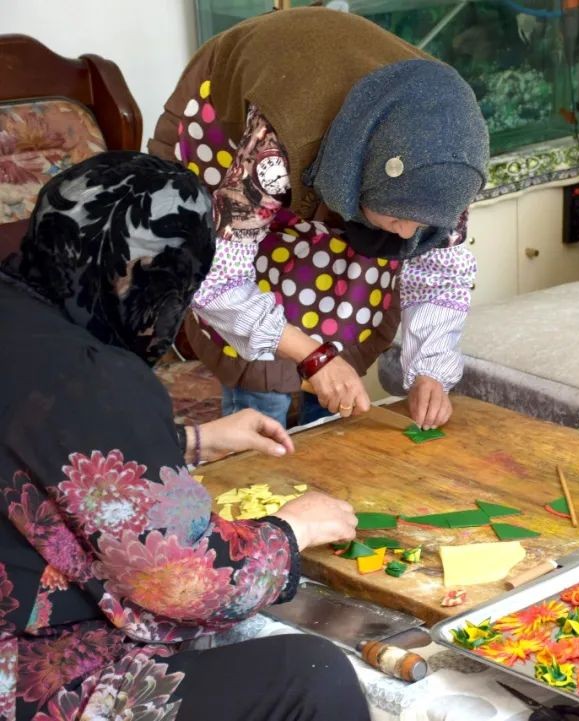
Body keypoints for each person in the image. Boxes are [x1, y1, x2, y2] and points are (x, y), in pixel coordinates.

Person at [0, 153, 364, 720]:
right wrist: (292, 530)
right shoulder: (93, 376)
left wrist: (191, 441)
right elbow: (183, 579)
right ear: (145, 282)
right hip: (24, 675)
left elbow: (38, 444)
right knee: (311, 677)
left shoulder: (19, 311)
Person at [148, 6, 490, 428]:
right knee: (262, 362)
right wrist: (312, 354)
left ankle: (319, 422)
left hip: (356, 149)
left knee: (344, 291)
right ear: (355, 181)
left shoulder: (445, 161)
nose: (408, 234)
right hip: (236, 122)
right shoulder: (273, 153)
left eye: (421, 225)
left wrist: (430, 371)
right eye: (399, 217)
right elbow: (216, 281)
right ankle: (259, 423)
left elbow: (439, 271)